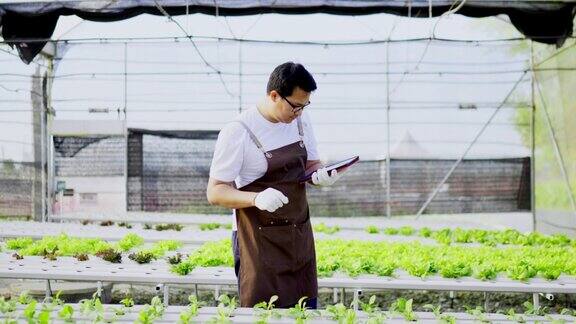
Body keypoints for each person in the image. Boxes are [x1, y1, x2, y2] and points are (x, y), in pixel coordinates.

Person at [207, 62, 342, 308]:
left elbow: (311, 165)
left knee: (304, 310)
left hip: (298, 235)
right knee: (263, 312)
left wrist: (321, 175)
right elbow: (215, 191)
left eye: (305, 106)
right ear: (274, 95)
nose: (299, 112)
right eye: (296, 106)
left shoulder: (301, 120)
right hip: (257, 242)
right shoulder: (238, 131)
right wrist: (255, 198)